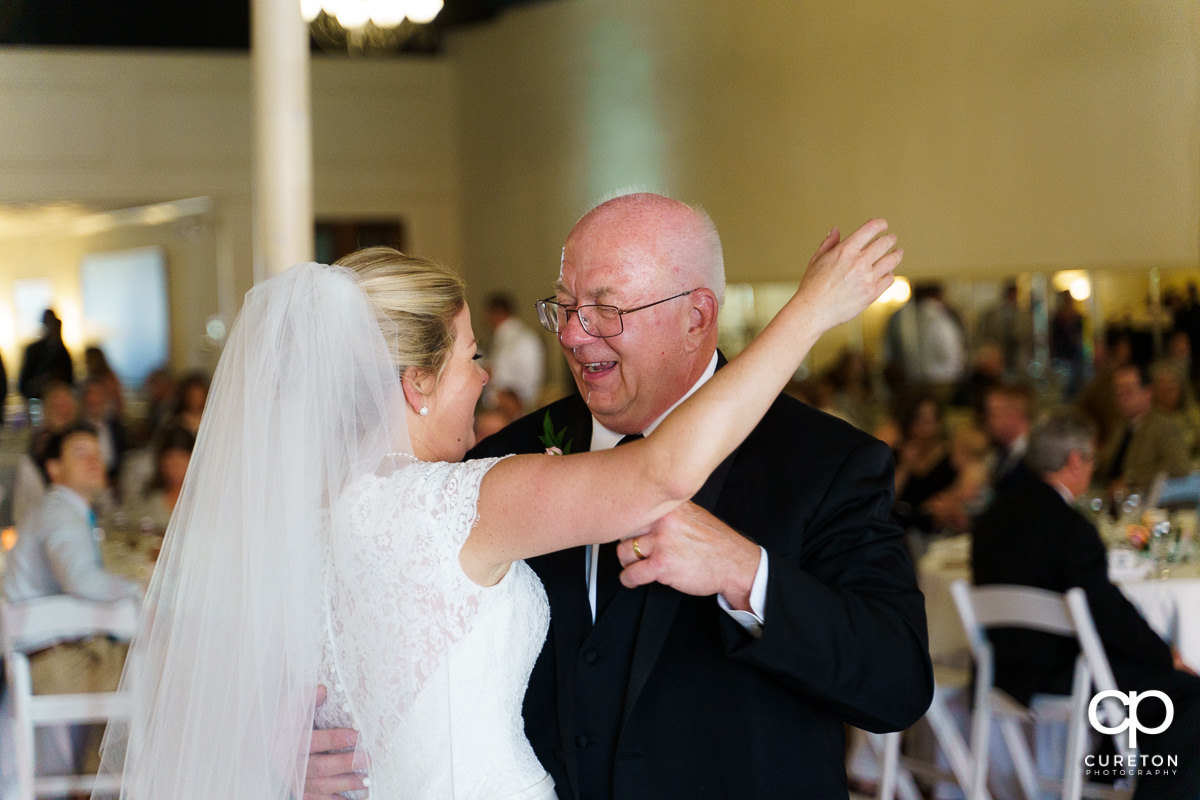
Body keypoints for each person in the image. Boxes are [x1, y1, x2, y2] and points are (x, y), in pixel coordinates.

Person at [100, 208, 902, 800]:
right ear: (414, 384)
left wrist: (745, 571)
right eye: (566, 307)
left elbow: (893, 684)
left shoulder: (827, 467)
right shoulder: (482, 476)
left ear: (699, 314)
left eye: (608, 309)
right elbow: (660, 474)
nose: (574, 336)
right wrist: (811, 316)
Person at [972, 408, 1200, 799]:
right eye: (1091, 458)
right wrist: (1165, 655)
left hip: (1007, 670)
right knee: (1187, 695)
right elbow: (1108, 613)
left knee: (1134, 686)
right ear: (1074, 461)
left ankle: (1108, 784)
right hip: (1064, 674)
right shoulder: (1070, 527)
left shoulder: (992, 518)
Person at [3, 423, 141, 777]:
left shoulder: (62, 509)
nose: (95, 461)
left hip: (50, 657)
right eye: (81, 454)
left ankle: (95, 780)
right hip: (53, 666)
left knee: (141, 657)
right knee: (167, 668)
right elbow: (80, 580)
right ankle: (109, 784)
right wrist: (144, 594)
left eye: (97, 453)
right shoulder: (60, 511)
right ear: (54, 469)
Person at [1098, 362, 1189, 499]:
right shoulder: (1121, 425)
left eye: (1128, 391)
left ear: (1147, 392)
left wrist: (1131, 479)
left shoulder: (1162, 425)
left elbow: (1179, 466)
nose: (1121, 398)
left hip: (1142, 504)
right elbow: (1108, 463)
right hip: (1110, 498)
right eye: (1118, 392)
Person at [483, 291, 546, 411]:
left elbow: (530, 382)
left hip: (515, 411)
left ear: (497, 312)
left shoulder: (525, 339)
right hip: (495, 408)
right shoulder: (498, 337)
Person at [17, 309, 74, 401]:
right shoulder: (34, 350)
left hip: (57, 400)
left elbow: (69, 380)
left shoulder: (62, 352)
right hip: (36, 399)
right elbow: (24, 383)